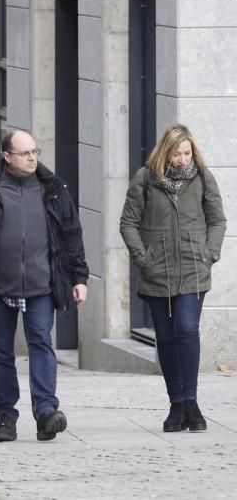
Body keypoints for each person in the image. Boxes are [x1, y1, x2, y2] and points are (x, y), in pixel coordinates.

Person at [0, 129, 89, 443]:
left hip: (42, 286)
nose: (32, 158)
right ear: (7, 156)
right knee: (1, 353)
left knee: (41, 345)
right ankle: (6, 417)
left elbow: (72, 235)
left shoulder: (52, 190)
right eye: (24, 153)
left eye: (34, 152)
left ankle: (46, 412)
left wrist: (79, 277)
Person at [119, 124, 226, 433]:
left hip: (194, 267)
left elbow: (217, 220)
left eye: (187, 153)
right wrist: (143, 258)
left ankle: (191, 401)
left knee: (186, 328)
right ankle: (176, 404)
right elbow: (128, 223)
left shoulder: (203, 178)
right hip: (157, 270)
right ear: (165, 152)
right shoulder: (145, 179)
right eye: (177, 153)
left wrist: (209, 254)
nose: (182, 159)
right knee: (165, 338)